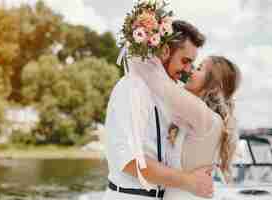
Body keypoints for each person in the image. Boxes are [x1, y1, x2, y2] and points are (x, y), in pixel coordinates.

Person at [102, 19, 215, 200]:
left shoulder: (165, 95)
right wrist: (188, 181)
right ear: (165, 51)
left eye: (191, 64)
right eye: (185, 61)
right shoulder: (133, 87)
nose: (187, 70)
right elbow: (129, 161)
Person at [161, 56, 242, 199]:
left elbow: (159, 83)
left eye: (199, 68)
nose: (191, 70)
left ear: (213, 86)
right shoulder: (195, 118)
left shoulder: (206, 118)